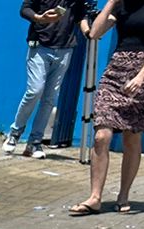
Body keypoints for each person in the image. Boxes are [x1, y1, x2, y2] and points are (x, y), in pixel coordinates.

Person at [70, 0, 144, 214]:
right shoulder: (121, 5)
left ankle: (123, 194)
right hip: (116, 70)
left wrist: (142, 75)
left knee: (132, 136)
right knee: (102, 135)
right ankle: (95, 197)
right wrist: (110, 3)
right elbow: (94, 33)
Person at [5, 1, 92, 158]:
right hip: (40, 47)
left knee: (50, 98)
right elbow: (25, 9)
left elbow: (81, 16)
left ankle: (35, 142)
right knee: (34, 91)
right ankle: (15, 132)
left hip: (65, 50)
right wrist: (38, 17)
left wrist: (88, 33)